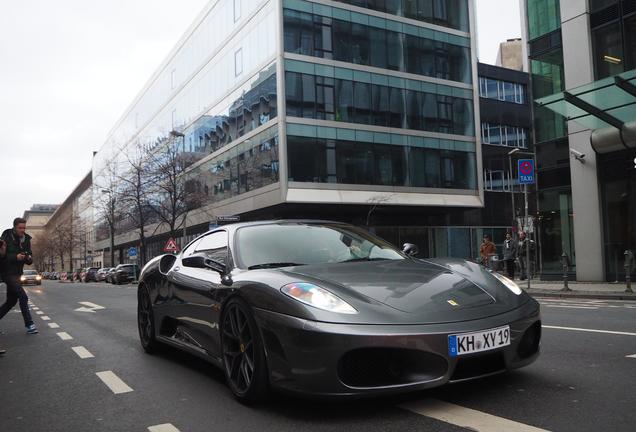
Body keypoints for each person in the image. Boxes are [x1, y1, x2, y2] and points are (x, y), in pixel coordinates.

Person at [0, 217, 38, 334]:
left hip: (17, 274)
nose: (22, 230)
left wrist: (28, 257)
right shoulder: (6, 236)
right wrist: (15, 257)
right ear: (14, 227)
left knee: (11, 301)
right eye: (20, 228)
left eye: (24, 228)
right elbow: (2, 257)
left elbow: (29, 260)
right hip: (7, 272)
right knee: (23, 296)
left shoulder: (26, 239)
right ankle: (29, 324)